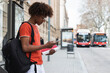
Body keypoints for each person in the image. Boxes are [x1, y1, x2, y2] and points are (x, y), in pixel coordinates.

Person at [19, 2, 57, 73]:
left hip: (38, 64)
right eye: (42, 17)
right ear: (36, 15)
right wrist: (45, 45)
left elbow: (36, 49)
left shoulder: (35, 27)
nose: (43, 20)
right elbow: (25, 47)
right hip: (31, 65)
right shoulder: (26, 26)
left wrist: (48, 52)